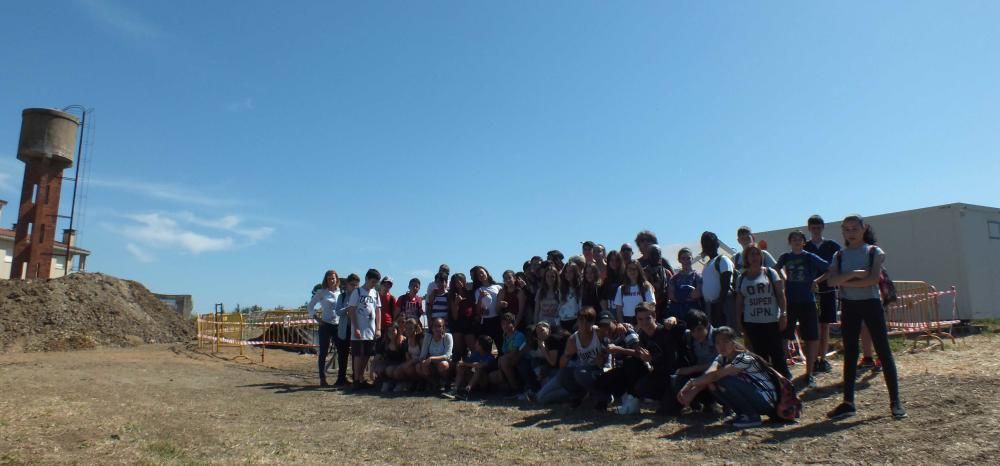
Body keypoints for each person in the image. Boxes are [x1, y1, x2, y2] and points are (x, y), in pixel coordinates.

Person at [822, 214, 906, 420]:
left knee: (883, 351)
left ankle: (895, 402)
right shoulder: (839, 255)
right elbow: (831, 282)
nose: (851, 232)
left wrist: (847, 280)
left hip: (871, 304)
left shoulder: (874, 251)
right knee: (850, 353)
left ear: (864, 228)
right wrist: (857, 274)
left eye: (854, 228)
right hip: (849, 306)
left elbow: (872, 280)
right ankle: (848, 402)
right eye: (846, 229)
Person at [677, 326, 780, 429]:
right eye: (718, 343)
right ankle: (742, 414)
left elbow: (716, 375)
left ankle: (752, 416)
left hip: (766, 402)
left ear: (734, 342)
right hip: (756, 397)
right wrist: (693, 391)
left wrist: (690, 383)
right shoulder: (722, 357)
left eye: (725, 341)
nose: (722, 346)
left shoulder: (744, 358)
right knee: (712, 383)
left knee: (724, 379)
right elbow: (709, 374)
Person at [775, 230, 829, 388]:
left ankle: (809, 373)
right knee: (784, 335)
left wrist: (816, 281)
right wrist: (784, 278)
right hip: (789, 302)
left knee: (811, 337)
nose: (797, 241)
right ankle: (784, 371)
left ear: (804, 242)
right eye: (793, 239)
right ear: (789, 242)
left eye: (800, 239)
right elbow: (775, 269)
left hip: (807, 302)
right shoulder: (785, 257)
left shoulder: (809, 256)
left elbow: (829, 268)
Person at [735, 245, 791, 379]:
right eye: (751, 255)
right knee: (760, 357)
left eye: (757, 254)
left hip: (771, 321)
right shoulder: (741, 278)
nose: (754, 257)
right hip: (752, 322)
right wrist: (738, 320)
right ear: (746, 258)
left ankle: (786, 384)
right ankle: (768, 384)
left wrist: (783, 314)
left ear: (761, 256)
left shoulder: (770, 273)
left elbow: (780, 294)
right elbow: (739, 302)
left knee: (778, 355)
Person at [536, 307, 607, 405]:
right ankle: (579, 394)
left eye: (588, 322)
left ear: (593, 322)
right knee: (541, 397)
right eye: (581, 321)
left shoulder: (599, 333)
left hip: (595, 372)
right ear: (577, 322)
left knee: (579, 372)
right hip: (580, 372)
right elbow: (562, 365)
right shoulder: (573, 339)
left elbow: (613, 333)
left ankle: (600, 395)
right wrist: (567, 354)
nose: (584, 325)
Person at [629, 303, 688, 416]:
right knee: (640, 387)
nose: (644, 322)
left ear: (654, 316)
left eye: (648, 318)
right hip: (660, 374)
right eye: (640, 319)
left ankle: (677, 400)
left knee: (666, 412)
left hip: (676, 375)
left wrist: (674, 319)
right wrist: (648, 360)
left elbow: (683, 327)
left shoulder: (665, 330)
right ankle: (666, 398)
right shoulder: (642, 336)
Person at [804, 214, 841, 374]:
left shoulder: (832, 246)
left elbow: (835, 267)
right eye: (813, 228)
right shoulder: (805, 247)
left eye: (818, 227)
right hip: (810, 292)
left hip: (827, 289)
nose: (816, 230)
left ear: (823, 228)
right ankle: (812, 359)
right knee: (812, 326)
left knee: (825, 325)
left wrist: (819, 280)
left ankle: (823, 358)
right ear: (809, 229)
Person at [673, 310, 719, 413]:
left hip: (717, 375)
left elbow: (720, 363)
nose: (696, 334)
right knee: (678, 377)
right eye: (692, 331)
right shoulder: (688, 337)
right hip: (700, 376)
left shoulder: (719, 336)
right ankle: (692, 403)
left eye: (699, 329)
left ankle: (715, 403)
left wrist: (692, 369)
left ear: (706, 325)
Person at [347, 269, 383, 389]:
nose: (374, 284)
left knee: (367, 354)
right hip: (359, 329)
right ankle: (356, 379)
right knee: (358, 354)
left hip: (370, 330)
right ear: (367, 278)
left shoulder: (375, 293)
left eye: (376, 282)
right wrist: (356, 328)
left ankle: (361, 377)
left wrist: (378, 328)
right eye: (372, 281)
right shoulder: (357, 292)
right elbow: (351, 311)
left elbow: (378, 310)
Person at [307, 269, 341, 387]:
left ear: (337, 279)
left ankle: (341, 378)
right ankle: (322, 378)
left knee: (341, 351)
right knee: (323, 352)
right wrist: (317, 318)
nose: (331, 280)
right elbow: (310, 306)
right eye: (329, 278)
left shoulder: (340, 293)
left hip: (337, 325)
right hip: (325, 325)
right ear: (326, 280)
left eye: (333, 278)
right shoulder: (321, 292)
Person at [516, 321, 565, 401]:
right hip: (552, 372)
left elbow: (552, 362)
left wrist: (542, 347)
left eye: (542, 330)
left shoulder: (553, 340)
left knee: (541, 397)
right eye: (538, 332)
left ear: (549, 329)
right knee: (530, 362)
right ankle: (536, 390)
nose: (540, 333)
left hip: (559, 372)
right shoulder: (539, 342)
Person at [700, 231, 735, 329]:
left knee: (727, 336)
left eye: (710, 243)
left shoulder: (723, 259)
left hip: (723, 305)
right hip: (711, 307)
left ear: (717, 244)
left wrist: (719, 307)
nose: (707, 246)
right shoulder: (707, 264)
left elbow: (726, 284)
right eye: (705, 244)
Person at [332, 274, 360, 386]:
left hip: (355, 328)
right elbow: (338, 311)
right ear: (347, 284)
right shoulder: (342, 297)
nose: (354, 287)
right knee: (342, 355)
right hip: (344, 329)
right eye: (352, 285)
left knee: (355, 354)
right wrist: (348, 308)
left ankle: (356, 377)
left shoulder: (359, 296)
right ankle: (341, 378)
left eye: (356, 285)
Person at [451, 335, 497, 400]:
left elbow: (480, 365)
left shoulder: (490, 357)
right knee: (462, 367)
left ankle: (467, 390)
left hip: (485, 382)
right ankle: (455, 389)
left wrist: (465, 363)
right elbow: (465, 363)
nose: (475, 345)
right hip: (476, 380)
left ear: (482, 346)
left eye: (477, 343)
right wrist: (461, 364)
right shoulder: (475, 354)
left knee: (479, 369)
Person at [492, 313, 527, 393]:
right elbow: (505, 352)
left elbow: (515, 352)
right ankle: (506, 386)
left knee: (503, 361)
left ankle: (514, 388)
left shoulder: (519, 335)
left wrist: (501, 359)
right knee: (492, 376)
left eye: (508, 323)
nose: (505, 326)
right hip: (509, 359)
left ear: (513, 324)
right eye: (503, 324)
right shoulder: (505, 336)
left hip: (520, 358)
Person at [417, 317, 454, 392]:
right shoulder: (428, 337)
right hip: (432, 365)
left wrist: (431, 358)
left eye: (439, 326)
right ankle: (433, 383)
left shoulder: (448, 337)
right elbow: (422, 355)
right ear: (432, 328)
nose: (437, 328)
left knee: (443, 364)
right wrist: (423, 362)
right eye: (435, 326)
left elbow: (447, 356)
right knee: (418, 366)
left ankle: (446, 382)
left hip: (445, 365)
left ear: (443, 328)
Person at [667, 248, 703, 321]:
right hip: (678, 313)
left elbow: (698, 294)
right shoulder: (674, 278)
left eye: (688, 258)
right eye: (683, 258)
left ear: (692, 259)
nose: (686, 261)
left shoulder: (698, 276)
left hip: (694, 312)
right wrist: (688, 293)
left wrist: (681, 294)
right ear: (679, 260)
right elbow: (671, 296)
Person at [473, 265, 503, 348]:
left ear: (487, 273)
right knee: (486, 347)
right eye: (478, 275)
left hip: (498, 319)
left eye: (482, 272)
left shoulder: (498, 287)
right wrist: (480, 298)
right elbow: (478, 311)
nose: (481, 275)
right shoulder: (478, 291)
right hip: (486, 321)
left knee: (500, 344)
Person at [448, 273, 476, 361]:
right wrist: (456, 303)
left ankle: (478, 368)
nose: (459, 283)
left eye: (460, 280)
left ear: (464, 281)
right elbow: (455, 316)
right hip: (457, 324)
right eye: (456, 281)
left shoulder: (470, 293)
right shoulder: (451, 295)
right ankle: (457, 369)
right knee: (458, 350)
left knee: (473, 347)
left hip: (469, 323)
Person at [640, 244, 673, 320]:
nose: (655, 256)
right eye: (652, 254)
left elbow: (670, 291)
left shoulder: (667, 273)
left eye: (657, 254)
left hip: (664, 310)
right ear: (648, 255)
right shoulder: (642, 273)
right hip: (646, 310)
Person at [374, 322, 408, 393]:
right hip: (389, 364)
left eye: (393, 330)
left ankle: (401, 383)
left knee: (389, 370)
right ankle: (388, 382)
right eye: (389, 331)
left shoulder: (403, 341)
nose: (391, 332)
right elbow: (377, 357)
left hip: (400, 364)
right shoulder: (385, 343)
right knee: (379, 367)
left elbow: (406, 358)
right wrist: (372, 369)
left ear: (397, 331)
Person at [393, 318, 425, 392]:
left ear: (415, 328)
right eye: (406, 328)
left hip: (421, 361)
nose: (408, 331)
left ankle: (422, 382)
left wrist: (411, 362)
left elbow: (423, 355)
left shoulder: (421, 339)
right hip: (412, 363)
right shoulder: (405, 342)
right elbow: (408, 357)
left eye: (410, 328)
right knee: (397, 371)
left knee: (413, 367)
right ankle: (410, 382)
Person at [558, 262, 583, 332]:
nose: (568, 274)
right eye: (566, 272)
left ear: (575, 273)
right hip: (562, 321)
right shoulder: (561, 288)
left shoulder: (579, 287)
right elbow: (558, 306)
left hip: (575, 321)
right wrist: (558, 324)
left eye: (570, 271)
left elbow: (581, 306)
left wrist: (578, 322)